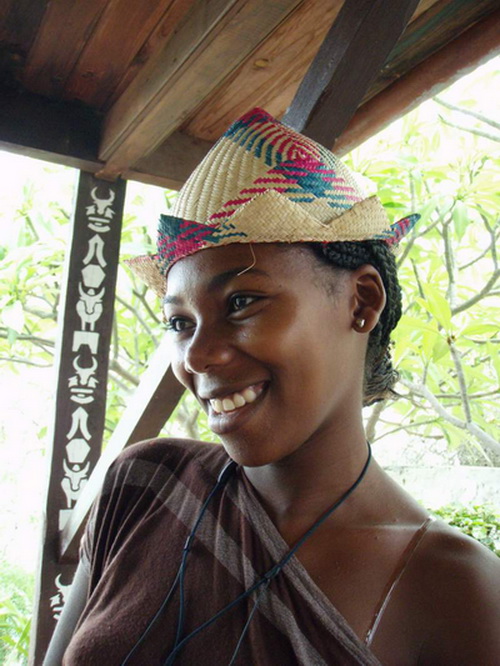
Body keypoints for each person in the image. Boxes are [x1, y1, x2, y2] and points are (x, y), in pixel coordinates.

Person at [45, 108, 500, 665]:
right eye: (180, 322)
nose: (197, 355)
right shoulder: (146, 489)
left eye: (241, 302)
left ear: (361, 302)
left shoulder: (457, 592)